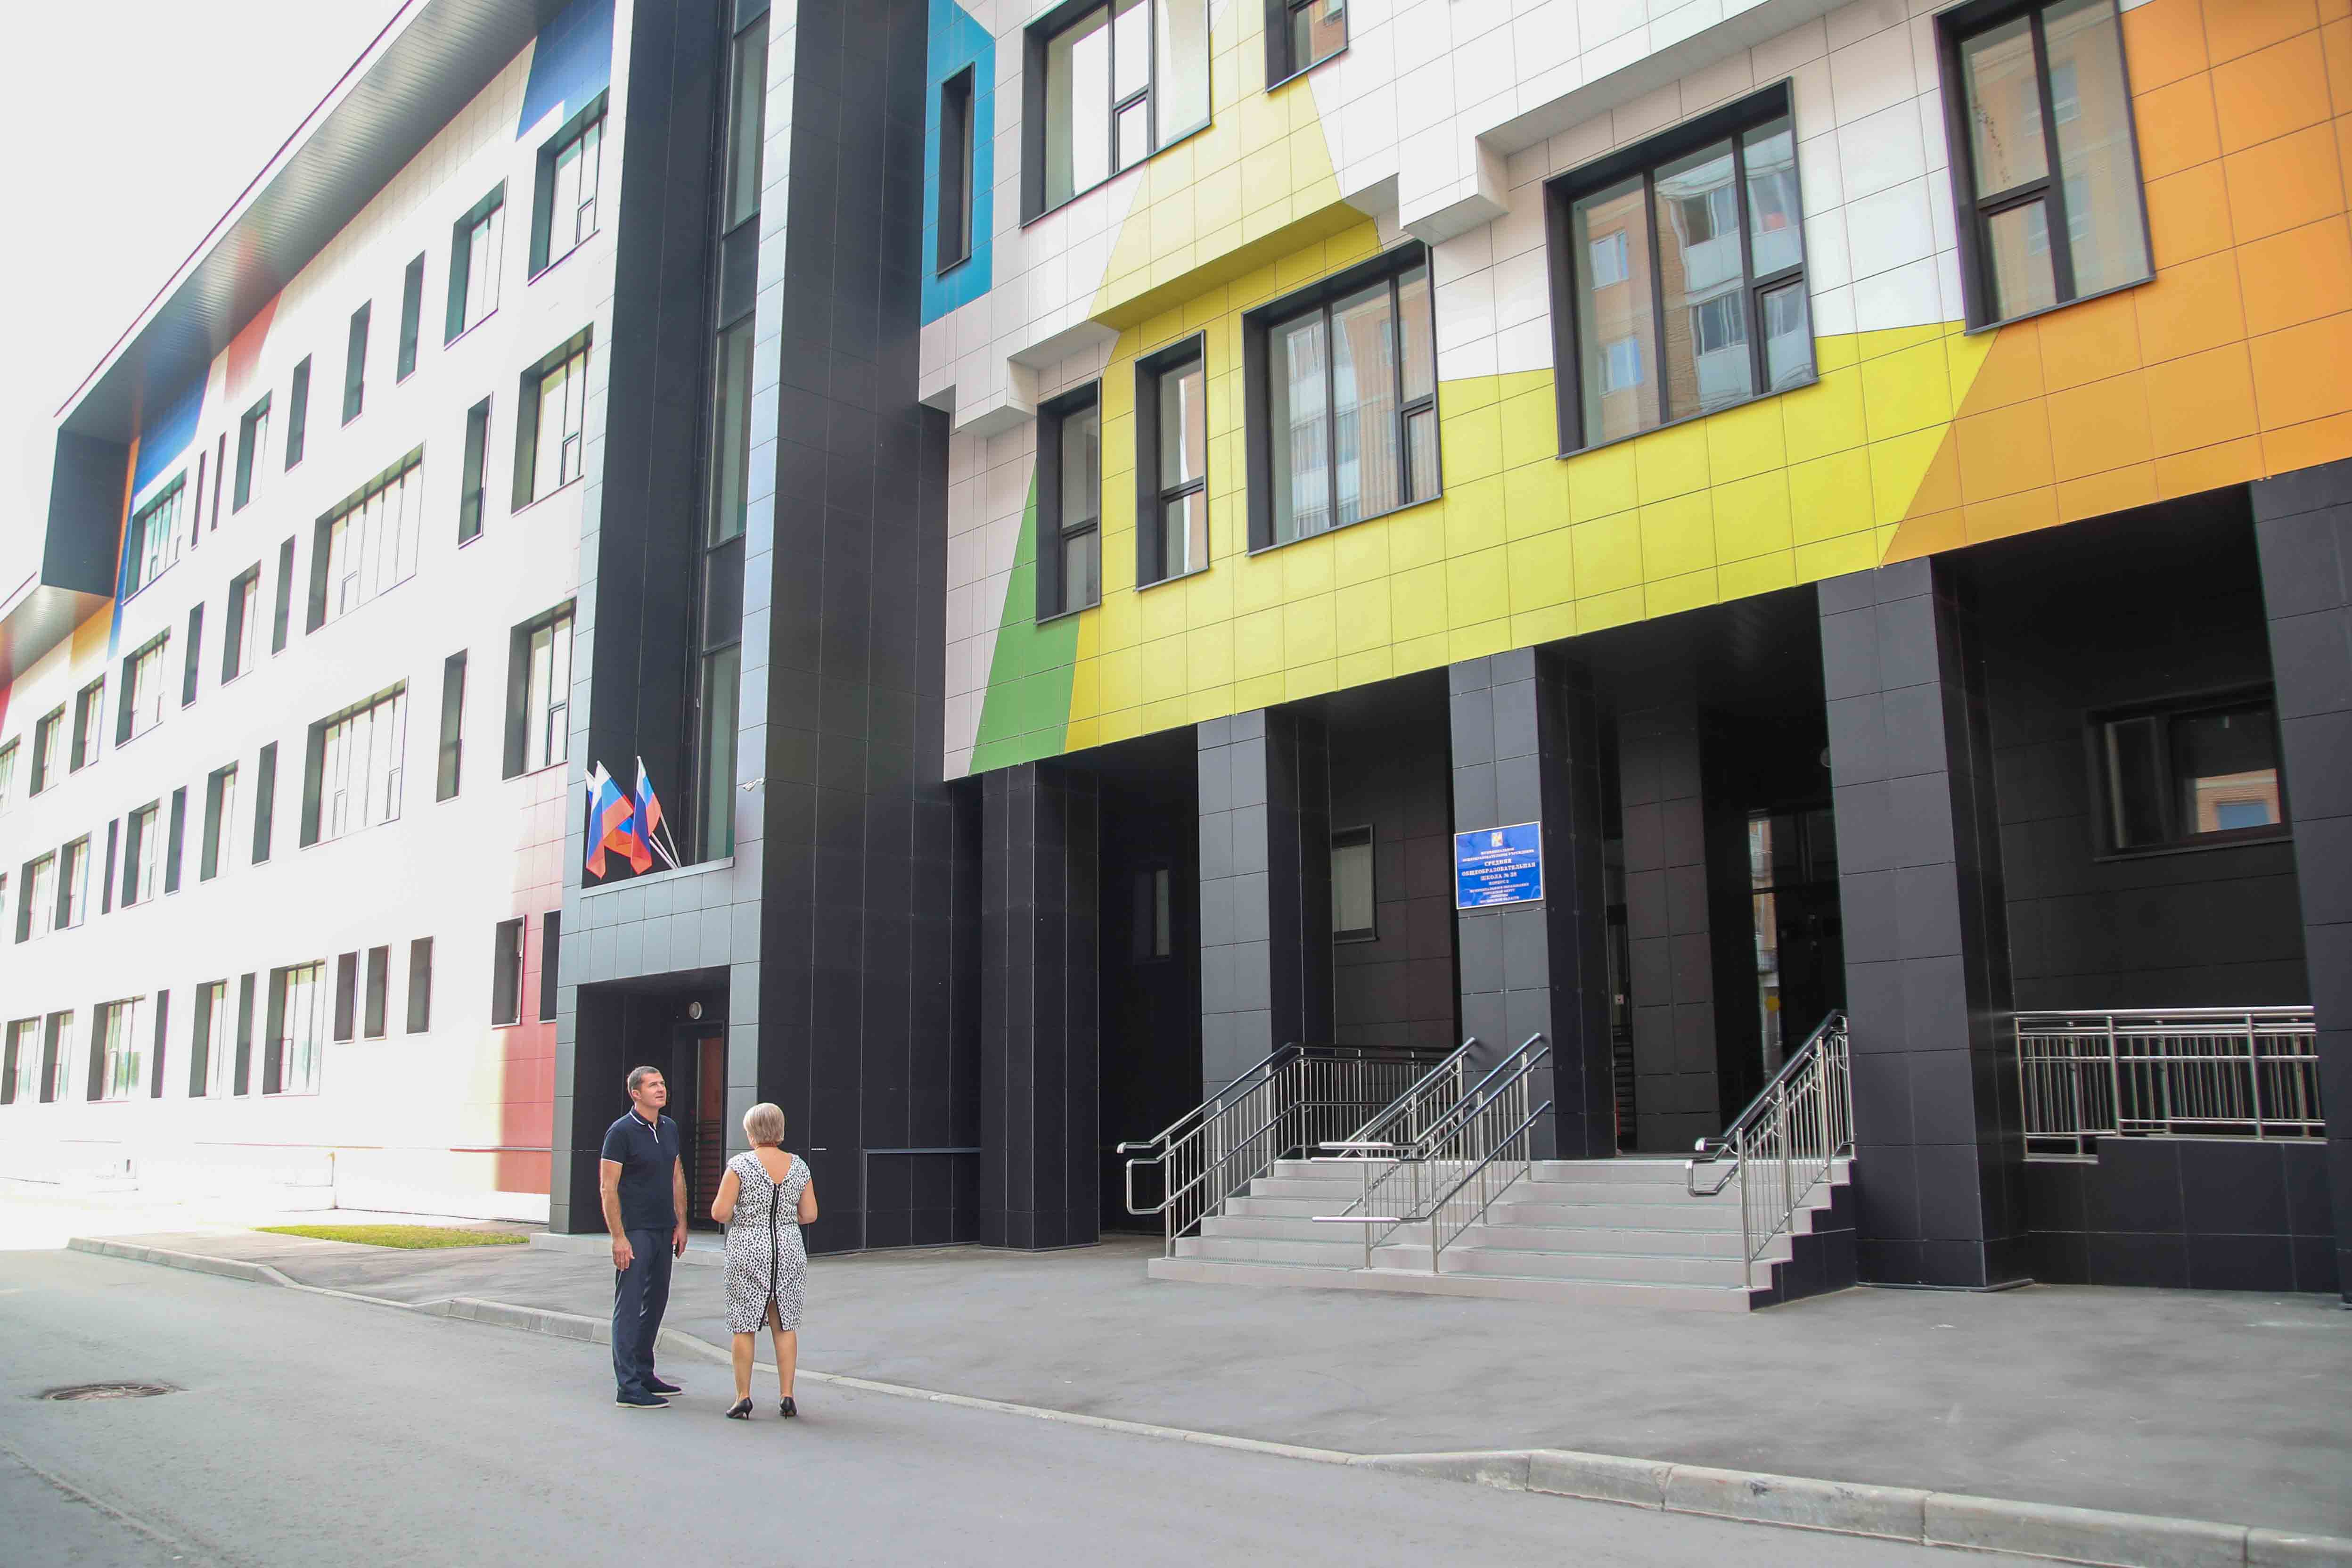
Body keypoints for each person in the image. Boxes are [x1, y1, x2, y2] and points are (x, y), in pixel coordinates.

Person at [709, 1101, 816, 1420]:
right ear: (780, 1129)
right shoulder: (799, 1166)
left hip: (748, 1247)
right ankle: (787, 1395)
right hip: (789, 1248)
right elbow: (810, 1214)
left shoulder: (740, 1165)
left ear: (751, 1132)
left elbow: (720, 1213)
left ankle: (743, 1396)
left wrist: (745, 1215)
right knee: (785, 1323)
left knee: (744, 1324)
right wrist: (785, 1219)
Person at [599, 1065, 688, 1410]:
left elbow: (676, 1176)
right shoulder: (620, 1132)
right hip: (634, 1231)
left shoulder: (670, 1128)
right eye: (653, 1085)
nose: (661, 1089)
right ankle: (628, 1386)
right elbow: (608, 1187)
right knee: (629, 1306)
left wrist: (681, 1223)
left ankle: (644, 1371)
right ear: (635, 1093)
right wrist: (618, 1238)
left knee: (656, 1303)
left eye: (662, 1083)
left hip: (664, 1229)